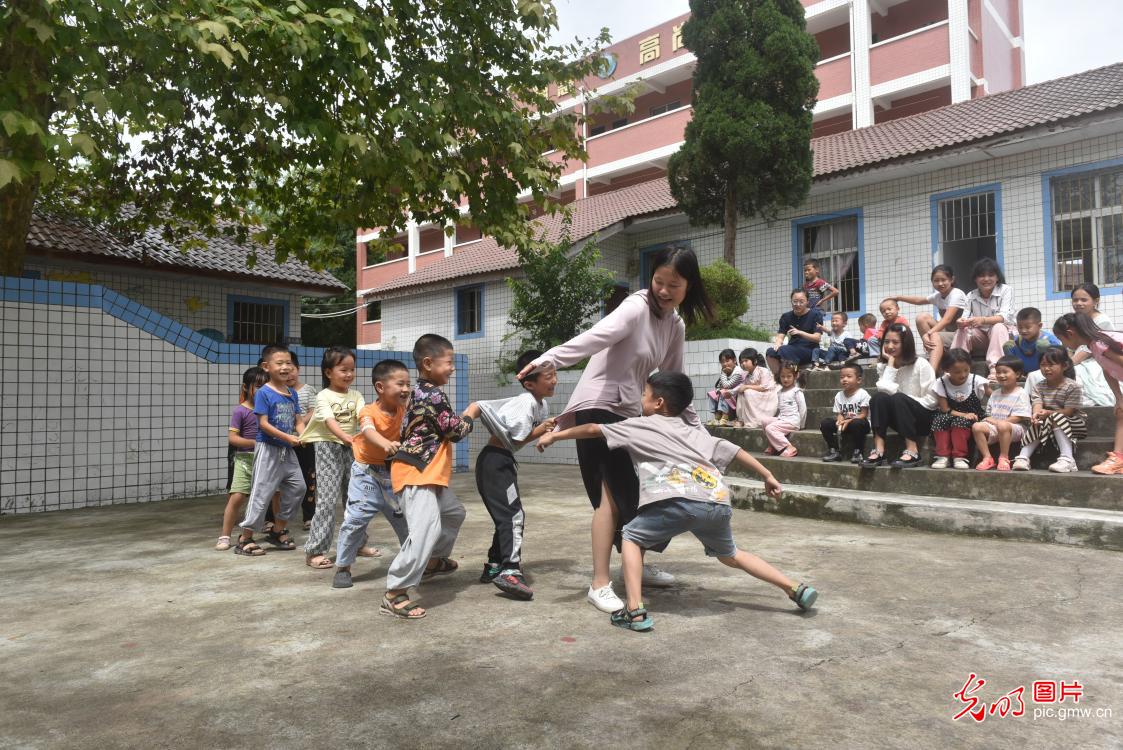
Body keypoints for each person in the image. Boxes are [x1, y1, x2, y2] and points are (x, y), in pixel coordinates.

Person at [516, 246, 716, 613]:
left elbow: (672, 382)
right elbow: (595, 337)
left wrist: (693, 427)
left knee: (637, 496)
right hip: (598, 404)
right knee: (609, 497)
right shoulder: (636, 307)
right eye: (659, 281)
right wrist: (547, 359)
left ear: (689, 287)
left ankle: (634, 562)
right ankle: (599, 583)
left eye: (674, 285)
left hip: (630, 414)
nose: (664, 291)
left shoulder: (675, 326)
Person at [536, 371, 818, 632]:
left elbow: (593, 429)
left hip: (676, 500)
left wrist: (555, 435)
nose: (640, 399)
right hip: (715, 502)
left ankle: (634, 610)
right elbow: (733, 450)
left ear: (658, 402)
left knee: (631, 537)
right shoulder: (694, 432)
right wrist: (767, 475)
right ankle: (794, 587)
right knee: (731, 554)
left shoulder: (640, 426)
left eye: (644, 395)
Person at [381, 334, 474, 619]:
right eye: (448, 362)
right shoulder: (432, 394)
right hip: (416, 471)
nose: (452, 368)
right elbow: (455, 431)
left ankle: (433, 561)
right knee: (426, 531)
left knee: (454, 513)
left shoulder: (419, 392)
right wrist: (472, 413)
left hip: (428, 472)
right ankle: (395, 591)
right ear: (428, 363)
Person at [464, 350, 558, 600]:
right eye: (548, 376)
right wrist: (541, 429)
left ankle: (495, 565)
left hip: (501, 461)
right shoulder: (526, 401)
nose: (554, 380)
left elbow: (516, 442)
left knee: (506, 515)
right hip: (495, 462)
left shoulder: (540, 403)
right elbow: (517, 438)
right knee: (513, 515)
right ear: (529, 383)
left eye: (554, 374)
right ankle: (510, 570)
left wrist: (543, 429)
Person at [332, 359, 411, 589]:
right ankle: (343, 566)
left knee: (406, 522)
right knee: (355, 520)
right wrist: (386, 444)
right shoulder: (368, 411)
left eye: (408, 383)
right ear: (380, 387)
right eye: (400, 383)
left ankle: (414, 562)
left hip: (394, 474)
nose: (406, 389)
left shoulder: (406, 410)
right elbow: (367, 431)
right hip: (366, 474)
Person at [233, 344, 307, 556]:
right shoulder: (264, 392)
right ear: (266, 366)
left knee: (298, 488)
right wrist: (288, 437)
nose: (286, 367)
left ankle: (277, 529)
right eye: (280, 363)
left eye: (289, 363)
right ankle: (244, 539)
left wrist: (303, 435)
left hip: (287, 451)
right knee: (262, 494)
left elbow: (298, 420)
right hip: (268, 449)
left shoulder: (292, 393)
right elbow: (263, 424)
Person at [300, 346, 369, 570]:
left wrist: (369, 433)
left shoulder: (356, 395)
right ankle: (315, 551)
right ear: (329, 372)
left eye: (352, 369)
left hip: (352, 446)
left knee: (355, 498)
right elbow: (330, 422)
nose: (349, 374)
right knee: (327, 500)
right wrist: (348, 438)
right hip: (328, 446)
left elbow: (363, 417)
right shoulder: (323, 396)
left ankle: (357, 543)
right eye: (343, 369)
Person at [1052, 313, 1123, 476]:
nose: (1062, 344)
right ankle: (1119, 459)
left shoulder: (1099, 343)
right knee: (1121, 412)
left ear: (1070, 334)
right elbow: (1108, 370)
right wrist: (1119, 398)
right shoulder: (1095, 344)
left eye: (1061, 338)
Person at [862, 324, 937, 468]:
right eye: (886, 342)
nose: (890, 346)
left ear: (906, 343)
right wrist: (890, 365)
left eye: (895, 342)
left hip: (923, 419)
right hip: (900, 419)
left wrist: (905, 400)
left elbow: (933, 401)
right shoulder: (884, 366)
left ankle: (913, 451)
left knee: (898, 398)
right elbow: (884, 391)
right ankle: (879, 450)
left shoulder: (921, 364)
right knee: (878, 398)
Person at [217, 366, 266, 551]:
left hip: (265, 460)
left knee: (265, 498)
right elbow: (233, 438)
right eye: (258, 386)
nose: (262, 390)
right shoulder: (241, 411)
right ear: (246, 387)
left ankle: (253, 534)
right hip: (245, 460)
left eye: (265, 386)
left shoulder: (267, 409)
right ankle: (224, 536)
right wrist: (255, 443)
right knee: (237, 497)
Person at [1012, 347, 1085, 473]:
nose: (1046, 369)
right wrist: (1036, 415)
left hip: (1073, 423)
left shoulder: (1073, 386)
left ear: (1065, 365)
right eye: (1043, 365)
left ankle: (1068, 459)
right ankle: (1023, 457)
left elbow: (1069, 411)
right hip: (1048, 422)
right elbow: (1037, 404)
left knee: (1054, 417)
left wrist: (1048, 413)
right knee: (1038, 420)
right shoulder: (1039, 386)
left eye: (1051, 365)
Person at [891, 264, 966, 374]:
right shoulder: (938, 296)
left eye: (943, 280)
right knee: (922, 318)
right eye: (936, 280)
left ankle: (931, 371)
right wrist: (898, 298)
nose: (940, 283)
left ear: (952, 279)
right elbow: (918, 300)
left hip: (961, 334)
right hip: (948, 333)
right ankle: (934, 352)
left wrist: (929, 333)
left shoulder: (957, 294)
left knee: (934, 335)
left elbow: (947, 320)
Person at [952, 258, 1015, 376]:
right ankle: (955, 365)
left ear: (997, 277)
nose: (986, 279)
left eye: (991, 275)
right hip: (981, 337)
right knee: (962, 330)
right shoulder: (971, 295)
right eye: (981, 276)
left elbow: (1005, 316)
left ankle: (996, 369)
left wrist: (983, 320)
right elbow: (965, 317)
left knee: (998, 326)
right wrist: (961, 322)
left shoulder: (1006, 290)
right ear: (975, 279)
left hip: (1003, 336)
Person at [928, 349, 990, 469]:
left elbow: (993, 396)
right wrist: (962, 415)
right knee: (939, 420)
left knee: (959, 422)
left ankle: (959, 457)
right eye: (957, 372)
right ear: (947, 370)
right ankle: (942, 456)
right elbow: (945, 409)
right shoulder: (941, 383)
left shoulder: (976, 380)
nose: (962, 374)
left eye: (966, 370)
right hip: (950, 413)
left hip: (973, 415)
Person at [972, 355, 1031, 472]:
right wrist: (990, 421)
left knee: (1002, 425)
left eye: (1005, 372)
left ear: (1018, 374)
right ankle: (987, 457)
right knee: (977, 426)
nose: (1001, 375)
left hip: (1016, 428)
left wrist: (998, 422)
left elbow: (1019, 417)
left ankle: (1004, 457)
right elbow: (988, 413)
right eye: (998, 372)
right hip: (996, 426)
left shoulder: (1021, 393)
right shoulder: (995, 393)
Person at [1067, 283, 1117, 407]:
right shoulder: (1075, 320)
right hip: (1079, 358)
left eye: (1084, 300)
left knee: (1076, 374)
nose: (1078, 303)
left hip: (1098, 360)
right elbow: (1069, 344)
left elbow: (1088, 349)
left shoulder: (1102, 321)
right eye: (1075, 300)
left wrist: (1069, 363)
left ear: (1096, 301)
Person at [821, 362, 870, 464]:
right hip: (844, 425)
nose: (844, 379)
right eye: (842, 377)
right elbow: (840, 413)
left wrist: (849, 421)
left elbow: (863, 414)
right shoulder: (839, 395)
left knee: (857, 423)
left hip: (859, 423)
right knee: (825, 423)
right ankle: (834, 450)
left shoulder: (863, 394)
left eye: (849, 376)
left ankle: (858, 452)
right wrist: (840, 419)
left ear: (859, 380)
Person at [766, 289, 823, 375]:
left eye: (801, 302)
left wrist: (800, 332)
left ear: (807, 302)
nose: (798, 304)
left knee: (785, 350)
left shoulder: (815, 315)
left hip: (809, 350)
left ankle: (795, 375)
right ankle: (779, 378)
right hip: (792, 348)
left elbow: (817, 338)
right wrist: (778, 343)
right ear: (791, 301)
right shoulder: (786, 317)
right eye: (795, 301)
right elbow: (781, 335)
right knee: (771, 352)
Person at [758, 361, 806, 457]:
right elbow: (781, 409)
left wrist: (801, 424)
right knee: (764, 421)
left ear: (795, 376)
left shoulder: (796, 392)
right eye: (783, 376)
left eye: (789, 376)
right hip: (782, 419)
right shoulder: (779, 392)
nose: (785, 379)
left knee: (770, 428)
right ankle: (774, 445)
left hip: (792, 421)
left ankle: (789, 447)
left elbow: (803, 408)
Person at [1002, 307, 1060, 375]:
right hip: (1023, 374)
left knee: (1043, 345)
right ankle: (1018, 374)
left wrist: (1047, 349)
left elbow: (1059, 360)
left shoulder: (1050, 339)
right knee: (1008, 346)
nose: (1023, 330)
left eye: (1027, 327)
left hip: (1044, 375)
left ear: (1039, 325)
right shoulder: (1017, 340)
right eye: (1020, 327)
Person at [734, 347, 777, 429]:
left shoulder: (763, 371)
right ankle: (742, 419)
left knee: (748, 392)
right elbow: (742, 387)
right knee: (741, 393)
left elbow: (764, 387)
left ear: (755, 361)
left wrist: (746, 387)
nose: (743, 364)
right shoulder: (746, 375)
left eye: (746, 361)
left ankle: (754, 421)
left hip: (768, 396)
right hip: (757, 395)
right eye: (741, 362)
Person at [707, 349, 744, 426]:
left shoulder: (738, 372)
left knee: (723, 392)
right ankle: (717, 416)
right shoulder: (728, 371)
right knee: (712, 394)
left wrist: (723, 373)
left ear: (734, 360)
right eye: (722, 362)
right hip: (728, 394)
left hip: (735, 395)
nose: (725, 364)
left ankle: (725, 416)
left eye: (727, 361)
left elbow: (726, 385)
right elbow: (721, 385)